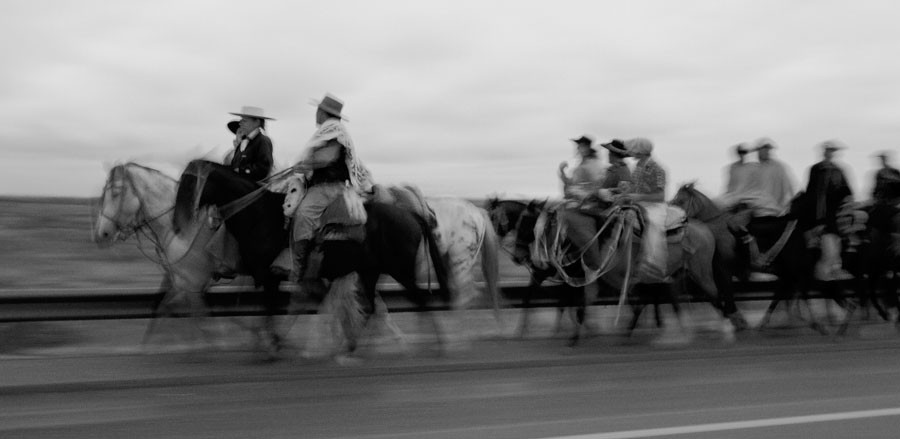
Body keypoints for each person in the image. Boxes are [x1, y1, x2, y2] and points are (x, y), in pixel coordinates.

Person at [289, 93, 374, 283]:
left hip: (328, 188)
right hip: (325, 186)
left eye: (318, 110)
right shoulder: (330, 130)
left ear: (323, 112)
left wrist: (306, 165)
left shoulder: (334, 130)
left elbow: (328, 157)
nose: (316, 115)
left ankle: (300, 267)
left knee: (303, 214)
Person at [618, 137, 668, 282]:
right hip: (638, 204)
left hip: (654, 206)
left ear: (642, 151)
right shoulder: (638, 167)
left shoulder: (658, 169)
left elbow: (660, 195)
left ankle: (654, 266)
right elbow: (633, 187)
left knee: (653, 227)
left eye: (634, 150)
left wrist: (637, 196)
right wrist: (624, 191)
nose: (631, 152)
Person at [805, 140, 854, 280]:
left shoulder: (838, 170)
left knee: (834, 243)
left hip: (835, 215)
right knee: (827, 244)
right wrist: (816, 219)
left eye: (833, 151)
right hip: (822, 216)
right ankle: (824, 275)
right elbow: (813, 195)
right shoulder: (817, 169)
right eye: (829, 150)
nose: (830, 153)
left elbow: (847, 192)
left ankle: (832, 272)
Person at [744, 138, 796, 218]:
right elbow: (748, 190)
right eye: (764, 149)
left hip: (776, 211)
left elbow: (788, 187)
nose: (766, 151)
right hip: (757, 211)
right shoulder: (752, 168)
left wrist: (789, 205)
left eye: (768, 149)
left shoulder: (779, 167)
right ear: (758, 151)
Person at [227, 106, 275, 182]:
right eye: (241, 120)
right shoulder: (243, 142)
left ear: (257, 122)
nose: (240, 123)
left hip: (254, 188)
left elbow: (264, 169)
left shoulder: (263, 141)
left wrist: (240, 170)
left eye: (244, 120)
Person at [558, 135, 605, 208]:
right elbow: (571, 183)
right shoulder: (583, 164)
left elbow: (597, 183)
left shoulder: (593, 163)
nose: (579, 149)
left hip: (587, 201)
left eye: (582, 146)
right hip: (580, 198)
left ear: (588, 148)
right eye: (579, 146)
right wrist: (562, 171)